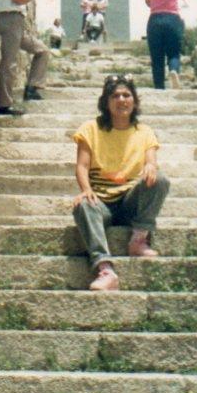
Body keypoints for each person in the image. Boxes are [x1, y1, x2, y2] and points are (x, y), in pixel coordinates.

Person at [72, 74, 170, 291]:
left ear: (134, 101)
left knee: (160, 180)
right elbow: (82, 166)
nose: (122, 100)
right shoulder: (90, 128)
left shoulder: (144, 132)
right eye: (115, 96)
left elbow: (152, 162)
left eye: (127, 95)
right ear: (106, 102)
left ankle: (138, 240)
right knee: (82, 204)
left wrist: (150, 167)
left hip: (129, 203)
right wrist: (86, 190)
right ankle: (105, 270)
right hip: (102, 203)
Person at [142, 0, 189, 90]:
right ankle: (174, 70)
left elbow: (148, 1)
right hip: (173, 19)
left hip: (155, 20)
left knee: (157, 58)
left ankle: (159, 88)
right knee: (174, 53)